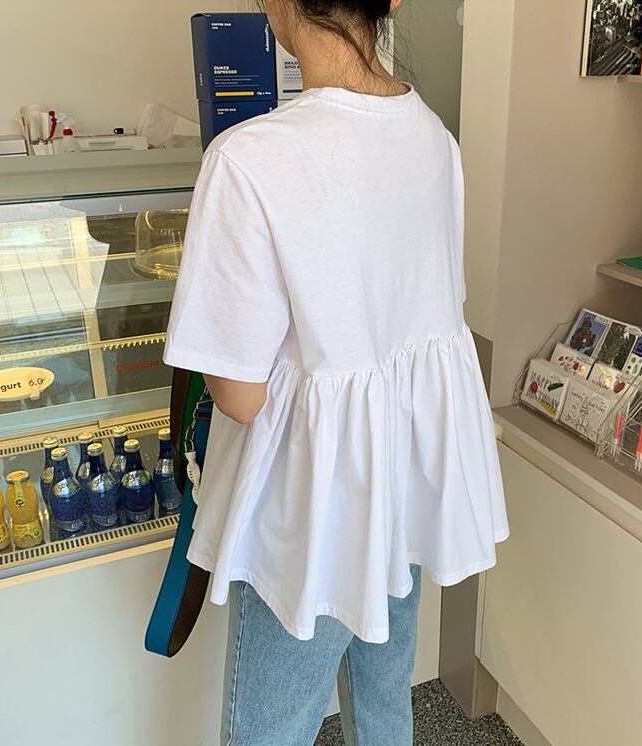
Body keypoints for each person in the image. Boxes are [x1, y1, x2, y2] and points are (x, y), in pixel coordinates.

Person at [164, 0, 509, 743]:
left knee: (269, 729)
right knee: (384, 705)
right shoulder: (434, 137)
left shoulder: (249, 158)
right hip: (402, 484)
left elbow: (240, 397)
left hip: (310, 507)